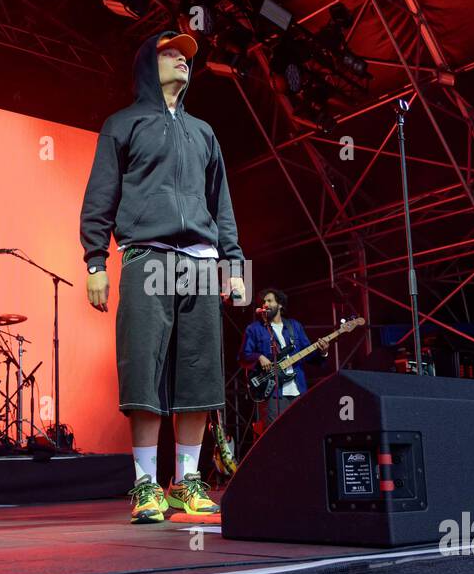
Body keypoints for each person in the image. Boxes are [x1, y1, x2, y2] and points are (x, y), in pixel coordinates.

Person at [79, 30, 246, 524]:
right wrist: (95, 261)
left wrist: (233, 265)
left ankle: (188, 481)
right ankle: (146, 485)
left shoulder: (204, 132)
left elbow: (223, 206)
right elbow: (100, 196)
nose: (182, 60)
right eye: (170, 53)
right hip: (146, 256)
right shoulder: (122, 124)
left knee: (198, 371)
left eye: (186, 55)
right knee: (145, 370)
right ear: (145, 66)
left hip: (200, 260)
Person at [239, 288, 329, 427]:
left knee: (303, 433)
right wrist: (259, 357)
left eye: (269, 301)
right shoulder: (254, 329)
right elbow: (243, 357)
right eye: (263, 302)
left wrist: (323, 352)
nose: (265, 304)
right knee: (275, 437)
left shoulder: (294, 326)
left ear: (280, 305)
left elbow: (309, 355)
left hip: (298, 391)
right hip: (273, 394)